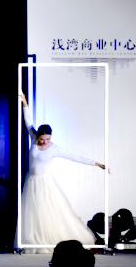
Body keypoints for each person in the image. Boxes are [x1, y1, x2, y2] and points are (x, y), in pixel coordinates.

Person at [18, 92, 108, 254]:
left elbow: (74, 157)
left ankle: (71, 239)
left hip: (45, 183)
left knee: (52, 213)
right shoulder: (34, 138)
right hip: (31, 181)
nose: (44, 142)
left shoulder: (54, 149)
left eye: (47, 139)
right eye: (42, 139)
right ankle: (36, 240)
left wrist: (96, 164)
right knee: (34, 214)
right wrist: (24, 103)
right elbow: (28, 121)